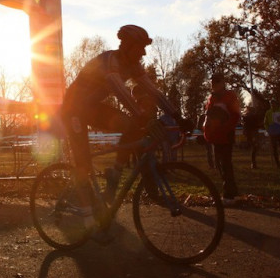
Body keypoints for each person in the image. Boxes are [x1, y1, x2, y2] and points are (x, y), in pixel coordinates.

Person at [61, 24, 190, 238]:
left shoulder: (133, 66)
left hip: (92, 108)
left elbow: (154, 92)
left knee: (131, 126)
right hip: (73, 109)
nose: (144, 52)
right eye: (140, 47)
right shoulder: (109, 60)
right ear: (128, 45)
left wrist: (177, 116)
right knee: (83, 163)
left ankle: (115, 172)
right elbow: (119, 89)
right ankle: (87, 218)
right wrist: (140, 115)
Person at [203, 73, 241, 204]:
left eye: (217, 82)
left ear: (223, 82)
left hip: (225, 136)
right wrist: (207, 133)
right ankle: (232, 192)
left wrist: (224, 129)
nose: (214, 84)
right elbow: (208, 117)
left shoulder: (229, 96)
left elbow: (236, 116)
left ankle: (229, 195)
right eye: (212, 82)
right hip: (215, 137)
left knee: (226, 165)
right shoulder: (211, 99)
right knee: (220, 165)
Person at [264, 100, 280, 168]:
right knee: (274, 149)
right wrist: (268, 130)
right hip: (272, 133)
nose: (272, 105)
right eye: (271, 104)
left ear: (276, 104)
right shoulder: (268, 112)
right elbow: (265, 123)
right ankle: (278, 164)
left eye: (273, 103)